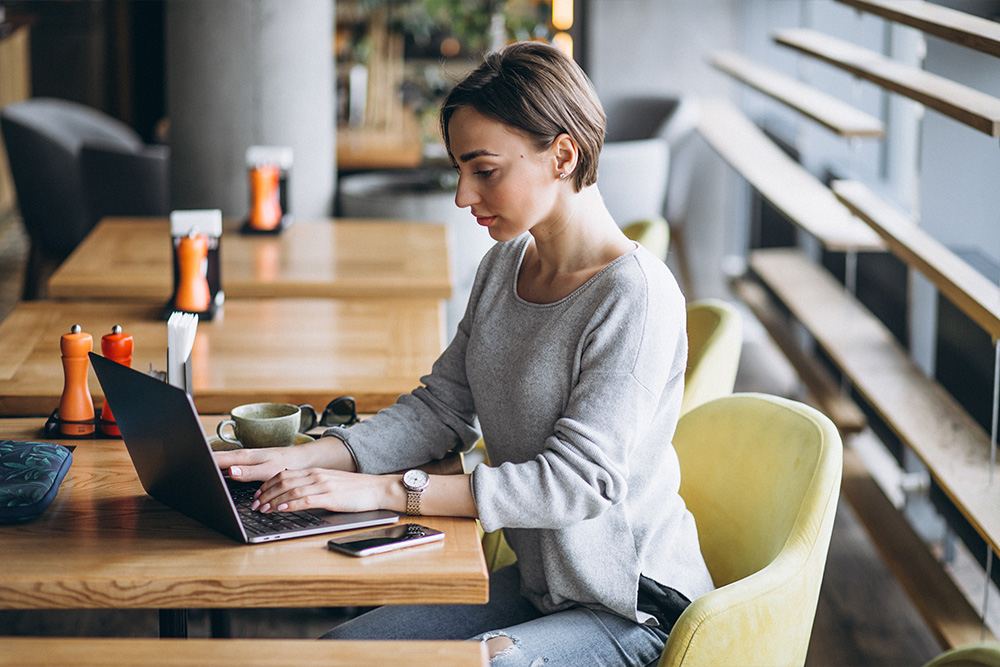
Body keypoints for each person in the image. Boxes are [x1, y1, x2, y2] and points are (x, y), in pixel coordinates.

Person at [214, 41, 714, 666]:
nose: (461, 195)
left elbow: (576, 484)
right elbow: (442, 409)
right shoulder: (504, 264)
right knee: (340, 656)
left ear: (563, 154)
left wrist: (388, 492)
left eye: (484, 170)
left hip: (632, 608)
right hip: (545, 592)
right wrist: (305, 460)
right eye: (458, 169)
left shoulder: (634, 296)